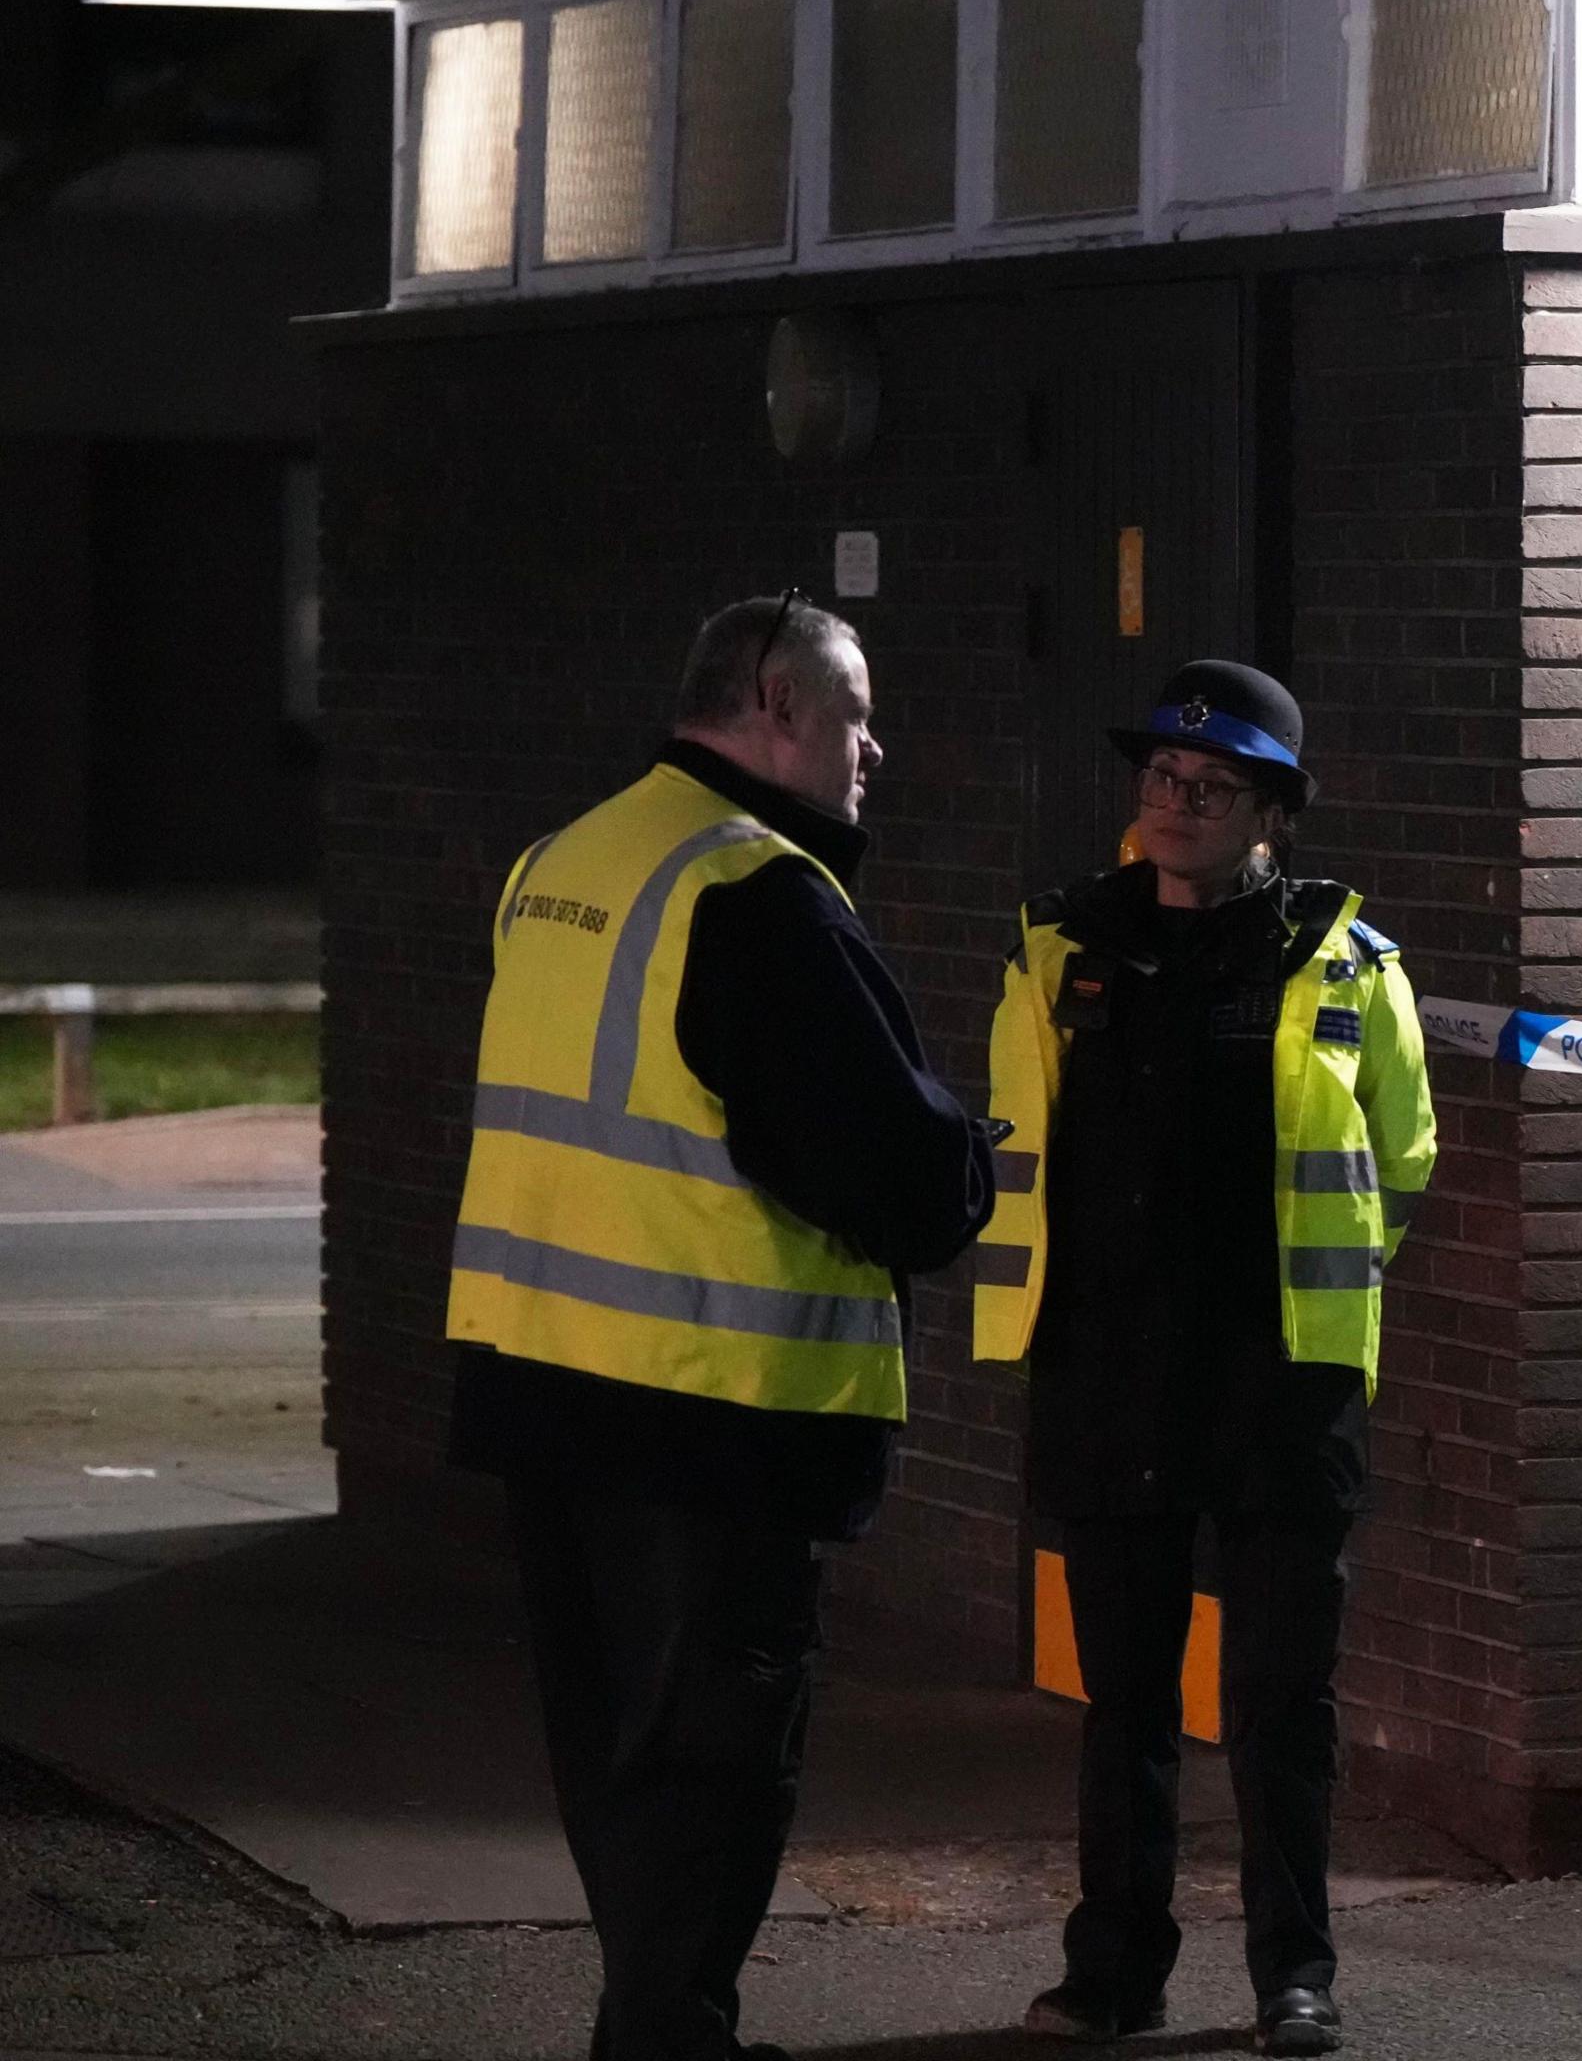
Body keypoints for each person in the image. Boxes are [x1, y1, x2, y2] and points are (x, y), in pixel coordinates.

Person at [446, 592, 996, 2061]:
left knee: (618, 1767)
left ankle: (659, 2029)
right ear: (773, 703)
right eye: (854, 712)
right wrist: (964, 1146)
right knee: (710, 1776)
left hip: (545, 1394)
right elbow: (901, 1178)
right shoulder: (755, 896)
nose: (875, 746)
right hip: (708, 1416)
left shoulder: (561, 864)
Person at [972, 659, 1436, 2057]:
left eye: (1210, 786)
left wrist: (1313, 1303)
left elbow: (1401, 1154)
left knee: (1281, 1702)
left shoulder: (1346, 962)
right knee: (1124, 1705)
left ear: (1271, 812)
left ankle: (1296, 1975)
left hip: (1279, 1385)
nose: (1174, 803)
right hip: (1111, 1374)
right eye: (1160, 779)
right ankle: (1114, 1971)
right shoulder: (1060, 949)